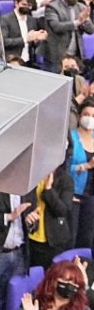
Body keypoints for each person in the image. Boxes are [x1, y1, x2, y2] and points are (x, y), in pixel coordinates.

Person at [24, 163, 76, 268]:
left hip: (52, 240)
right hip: (29, 237)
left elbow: (63, 211)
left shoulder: (65, 180)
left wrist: (48, 190)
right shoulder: (30, 175)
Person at [43, 0, 94, 74]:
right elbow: (56, 27)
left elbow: (90, 30)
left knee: (77, 82)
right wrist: (77, 22)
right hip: (57, 54)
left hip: (76, 54)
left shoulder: (81, 7)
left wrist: (85, 20)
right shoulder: (52, 7)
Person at [18, 256, 89, 310]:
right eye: (65, 280)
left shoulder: (82, 309)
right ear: (53, 280)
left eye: (74, 283)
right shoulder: (35, 300)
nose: (70, 285)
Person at [69, 101, 94, 249]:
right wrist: (86, 166)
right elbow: (62, 168)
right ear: (79, 117)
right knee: (71, 238)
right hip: (73, 195)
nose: (90, 118)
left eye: (93, 115)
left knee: (87, 237)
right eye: (86, 114)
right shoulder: (70, 137)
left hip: (91, 197)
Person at [4, 0, 49, 65]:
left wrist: (37, 39)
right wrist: (25, 39)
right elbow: (4, 42)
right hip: (12, 60)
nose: (26, 7)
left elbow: (33, 44)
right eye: (24, 4)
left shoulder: (32, 20)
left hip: (29, 60)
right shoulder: (5, 20)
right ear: (16, 3)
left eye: (29, 5)